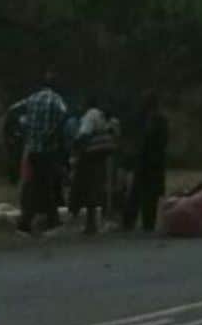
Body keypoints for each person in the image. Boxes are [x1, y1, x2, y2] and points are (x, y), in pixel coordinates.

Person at [15, 72, 68, 236]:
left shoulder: (32, 98)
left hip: (32, 150)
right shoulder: (56, 100)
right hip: (47, 150)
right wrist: (53, 136)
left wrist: (25, 129)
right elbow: (63, 115)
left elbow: (14, 110)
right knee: (47, 186)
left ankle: (30, 222)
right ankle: (48, 222)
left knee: (35, 186)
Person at [122, 90, 168, 233]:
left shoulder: (153, 120)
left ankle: (136, 223)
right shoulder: (154, 120)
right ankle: (143, 223)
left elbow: (147, 141)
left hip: (149, 162)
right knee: (144, 194)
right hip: (151, 162)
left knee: (141, 194)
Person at [70, 98, 114, 234]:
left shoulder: (89, 115)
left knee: (86, 187)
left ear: (86, 105)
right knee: (96, 187)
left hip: (90, 156)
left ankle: (89, 224)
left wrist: (74, 145)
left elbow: (84, 134)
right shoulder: (101, 115)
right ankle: (93, 223)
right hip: (102, 155)